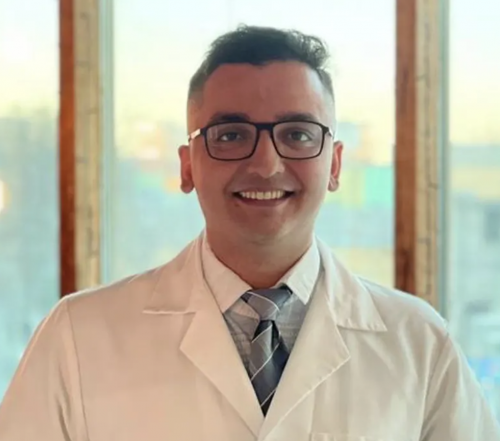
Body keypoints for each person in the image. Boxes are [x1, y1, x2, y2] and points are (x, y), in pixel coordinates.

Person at [0, 25, 498, 441]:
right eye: (231, 135)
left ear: (334, 164)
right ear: (187, 165)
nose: (265, 164)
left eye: (297, 134)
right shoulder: (77, 338)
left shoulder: (419, 344)